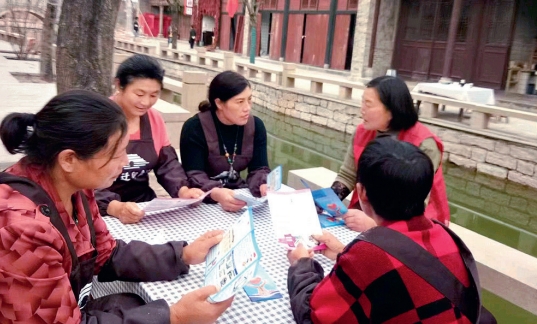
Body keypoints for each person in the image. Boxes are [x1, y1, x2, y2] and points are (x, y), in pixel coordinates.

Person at [0, 90, 233, 324]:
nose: (125, 163)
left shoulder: (76, 186)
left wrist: (182, 255)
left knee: (132, 302)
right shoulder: (21, 229)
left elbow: (105, 253)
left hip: (70, 306)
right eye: (116, 155)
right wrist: (176, 317)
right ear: (69, 159)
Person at [287, 137, 487, 324]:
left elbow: (315, 316)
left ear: (362, 193)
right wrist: (343, 253)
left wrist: (302, 265)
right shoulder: (447, 236)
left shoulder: (369, 253)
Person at [331, 75, 449, 232]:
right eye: (362, 102)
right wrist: (326, 201)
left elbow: (417, 203)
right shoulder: (362, 132)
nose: (362, 110)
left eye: (369, 104)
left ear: (392, 109)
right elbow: (348, 175)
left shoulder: (424, 143)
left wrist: (374, 225)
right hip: (369, 213)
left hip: (416, 226)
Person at [96, 54, 203, 224]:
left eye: (153, 95)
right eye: (139, 94)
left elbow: (166, 164)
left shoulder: (154, 119)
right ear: (119, 85)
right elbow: (82, 177)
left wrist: (182, 190)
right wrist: (116, 207)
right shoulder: (97, 119)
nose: (146, 102)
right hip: (101, 210)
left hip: (143, 207)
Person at [180, 70, 271, 212]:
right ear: (219, 103)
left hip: (240, 196)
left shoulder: (256, 126)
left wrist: (262, 185)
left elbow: (259, 168)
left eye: (249, 99)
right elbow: (194, 175)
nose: (247, 107)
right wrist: (215, 193)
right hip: (202, 200)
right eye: (240, 102)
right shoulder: (195, 128)